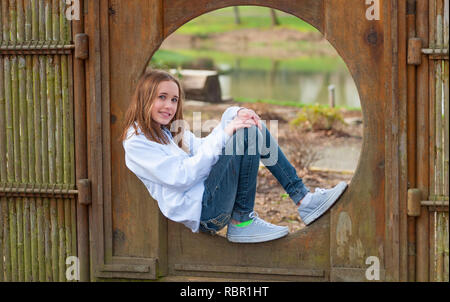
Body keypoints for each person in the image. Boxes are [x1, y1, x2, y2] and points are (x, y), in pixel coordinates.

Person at [120, 69, 347, 244]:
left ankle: (304, 200)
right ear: (145, 98)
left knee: (249, 125)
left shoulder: (168, 130)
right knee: (246, 132)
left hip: (209, 196)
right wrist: (229, 131)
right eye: (162, 97)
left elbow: (202, 147)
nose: (169, 105)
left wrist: (234, 114)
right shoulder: (137, 142)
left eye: (174, 99)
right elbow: (182, 177)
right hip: (204, 211)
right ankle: (242, 220)